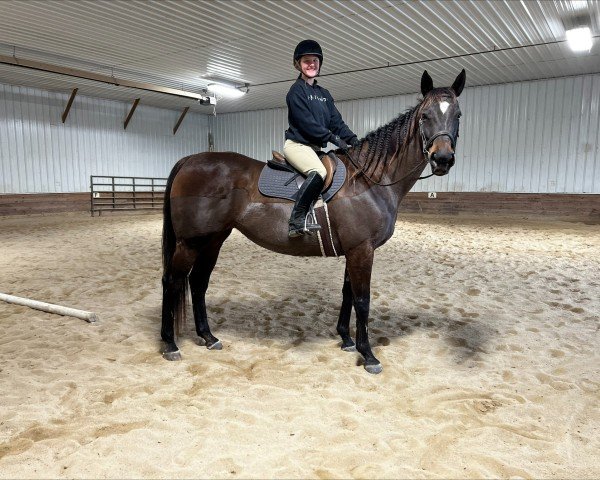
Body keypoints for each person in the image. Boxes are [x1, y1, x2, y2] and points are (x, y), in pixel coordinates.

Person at [284, 39, 360, 238]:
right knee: (318, 171)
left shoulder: (324, 94)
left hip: (315, 148)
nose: (311, 64)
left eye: (315, 61)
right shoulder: (296, 91)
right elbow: (308, 124)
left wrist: (353, 140)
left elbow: (337, 122)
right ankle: (296, 220)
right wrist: (335, 140)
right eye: (307, 61)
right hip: (297, 145)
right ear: (298, 64)